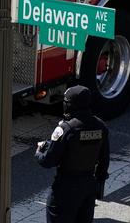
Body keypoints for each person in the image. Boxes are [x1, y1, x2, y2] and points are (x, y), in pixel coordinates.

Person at [35, 85, 110, 223]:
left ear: (70, 105)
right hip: (88, 188)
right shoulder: (101, 126)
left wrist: (39, 151)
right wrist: (97, 184)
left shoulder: (66, 129)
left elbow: (48, 161)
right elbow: (104, 160)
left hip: (65, 189)